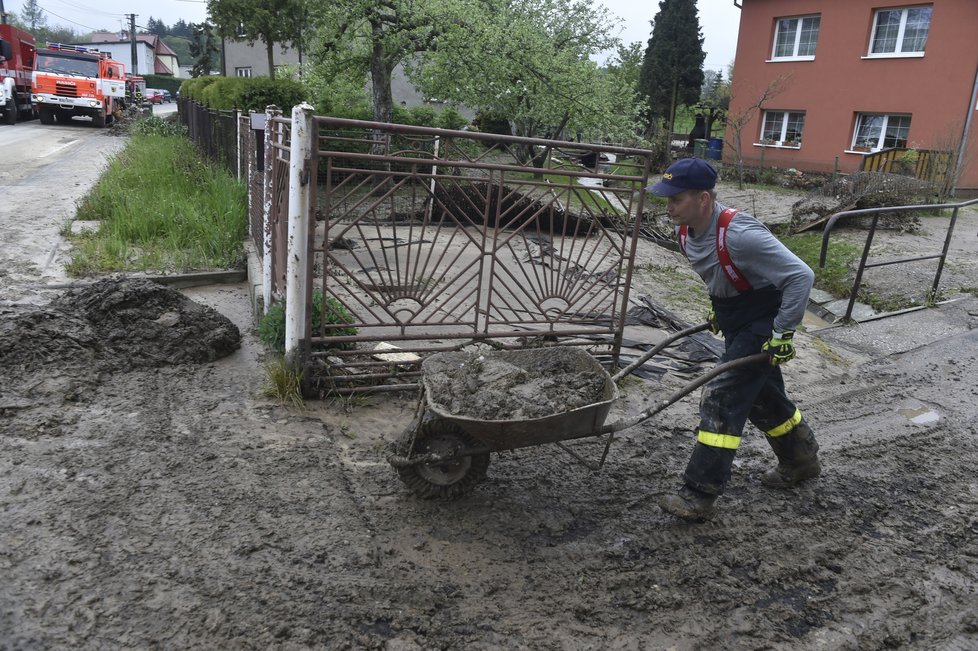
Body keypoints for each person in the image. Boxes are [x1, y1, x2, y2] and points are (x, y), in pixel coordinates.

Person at [646, 157, 821, 522]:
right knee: (761, 397)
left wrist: (783, 333)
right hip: (736, 318)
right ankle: (800, 460)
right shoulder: (686, 231)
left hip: (764, 321)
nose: (669, 206)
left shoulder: (741, 234)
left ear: (704, 199)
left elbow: (800, 276)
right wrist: (720, 305)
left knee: (723, 397)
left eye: (676, 199)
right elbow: (718, 271)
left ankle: (698, 494)